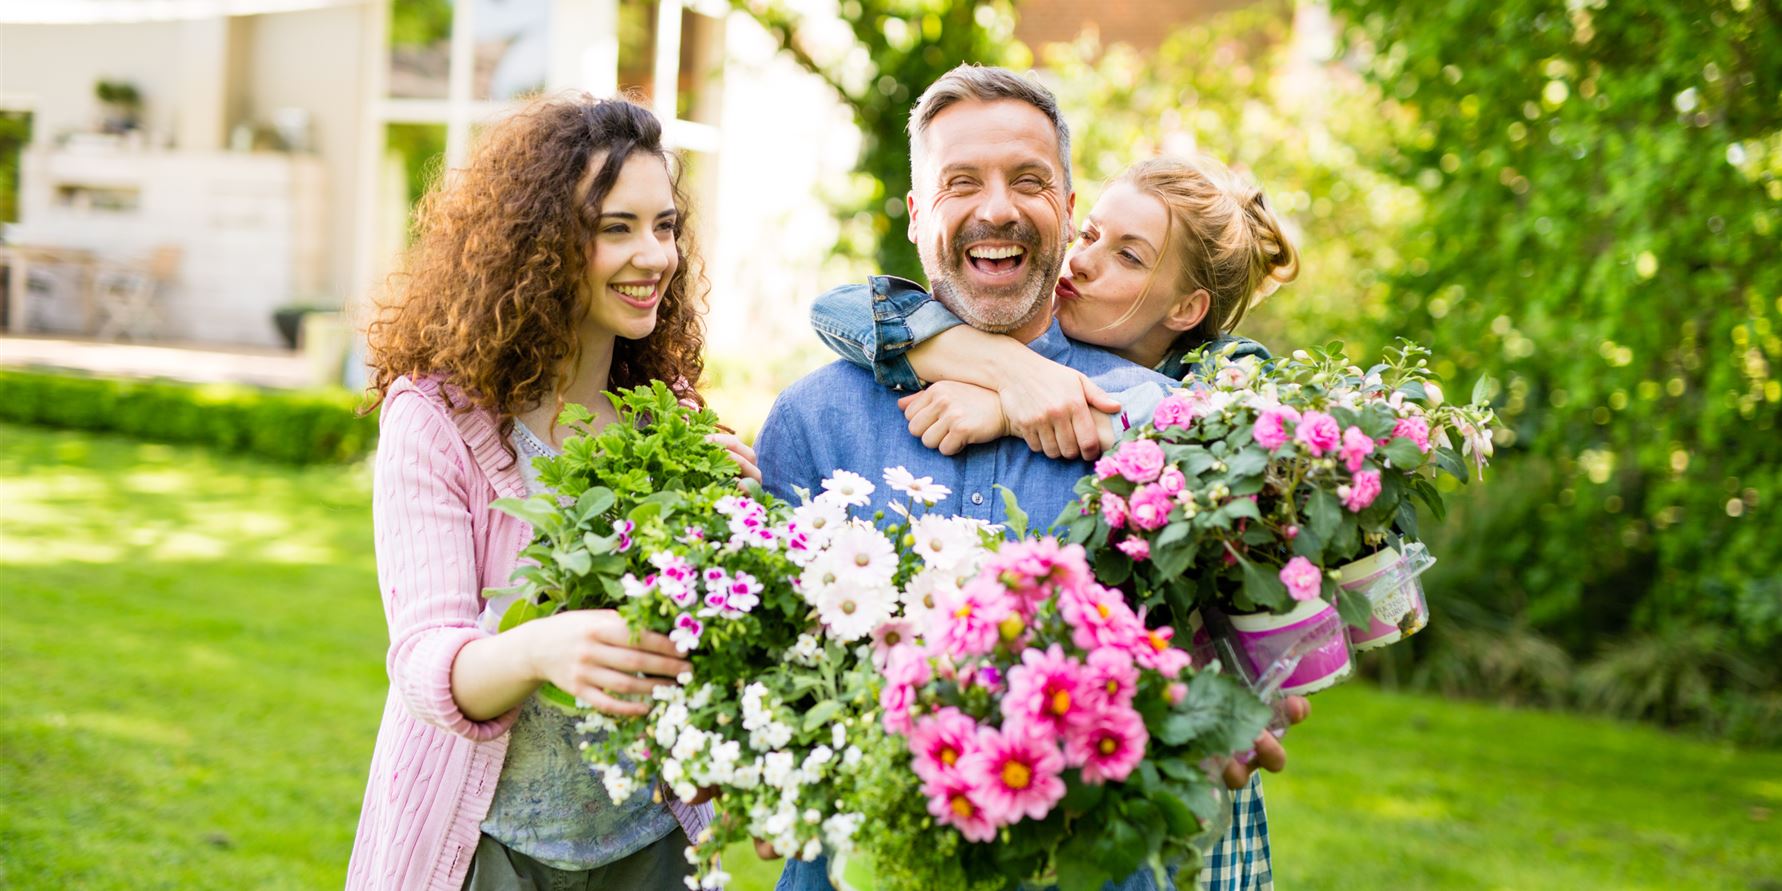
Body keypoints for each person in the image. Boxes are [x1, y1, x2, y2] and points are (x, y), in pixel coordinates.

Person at [757, 65, 1301, 891]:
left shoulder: (1159, 424)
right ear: (917, 216)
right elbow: (767, 675)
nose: (998, 207)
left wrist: (1224, 708)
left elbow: (1228, 641)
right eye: (961, 182)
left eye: (1030, 181)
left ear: (1068, 212)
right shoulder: (810, 422)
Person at [346, 95, 756, 891]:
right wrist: (540, 648)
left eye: (665, 225)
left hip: (647, 848)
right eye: (616, 228)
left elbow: (702, 646)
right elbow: (425, 661)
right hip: (486, 851)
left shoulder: (669, 418)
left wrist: (733, 522)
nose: (655, 255)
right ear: (541, 245)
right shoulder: (437, 420)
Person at [809, 152, 1295, 462]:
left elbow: (1249, 434)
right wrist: (1009, 368)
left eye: (1128, 255)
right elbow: (837, 309)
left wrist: (1009, 409)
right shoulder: (1019, 332)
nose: (1080, 260)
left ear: (1186, 310)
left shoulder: (1228, 368)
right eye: (1089, 234)